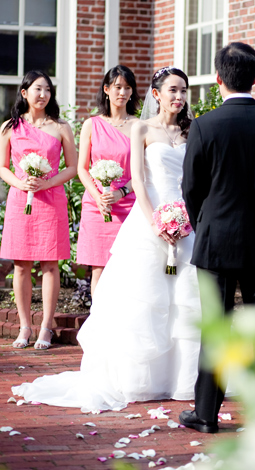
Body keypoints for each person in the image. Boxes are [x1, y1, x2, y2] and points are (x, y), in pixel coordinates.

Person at [12, 67, 201, 411]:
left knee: (185, 296)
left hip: (183, 218)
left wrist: (186, 216)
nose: (180, 97)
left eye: (184, 91)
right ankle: (139, 376)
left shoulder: (192, 130)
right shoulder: (138, 128)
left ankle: (182, 376)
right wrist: (155, 219)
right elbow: (140, 180)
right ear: (157, 94)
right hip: (148, 216)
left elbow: (191, 179)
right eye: (173, 90)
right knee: (140, 292)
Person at [179, 43, 255, 434]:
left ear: (218, 79)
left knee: (217, 326)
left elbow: (191, 188)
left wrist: (205, 224)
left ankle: (206, 415)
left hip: (215, 239)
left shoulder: (204, 125)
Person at [0, 71, 77, 350]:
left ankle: (45, 327)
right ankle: (24, 326)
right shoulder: (9, 127)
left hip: (51, 199)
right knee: (21, 264)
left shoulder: (61, 127)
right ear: (24, 93)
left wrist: (47, 182)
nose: (43, 94)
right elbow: (2, 167)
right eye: (37, 89)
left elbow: (72, 167)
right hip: (20, 200)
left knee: (50, 264)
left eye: (47, 89)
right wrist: (22, 183)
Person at [75, 66, 140, 297]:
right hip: (96, 205)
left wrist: (121, 192)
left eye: (127, 88)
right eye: (117, 87)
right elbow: (82, 169)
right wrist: (98, 197)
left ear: (132, 92)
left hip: (128, 204)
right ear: (106, 90)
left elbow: (143, 171)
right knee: (99, 266)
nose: (122, 92)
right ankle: (98, 324)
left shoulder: (139, 126)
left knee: (127, 266)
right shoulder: (91, 125)